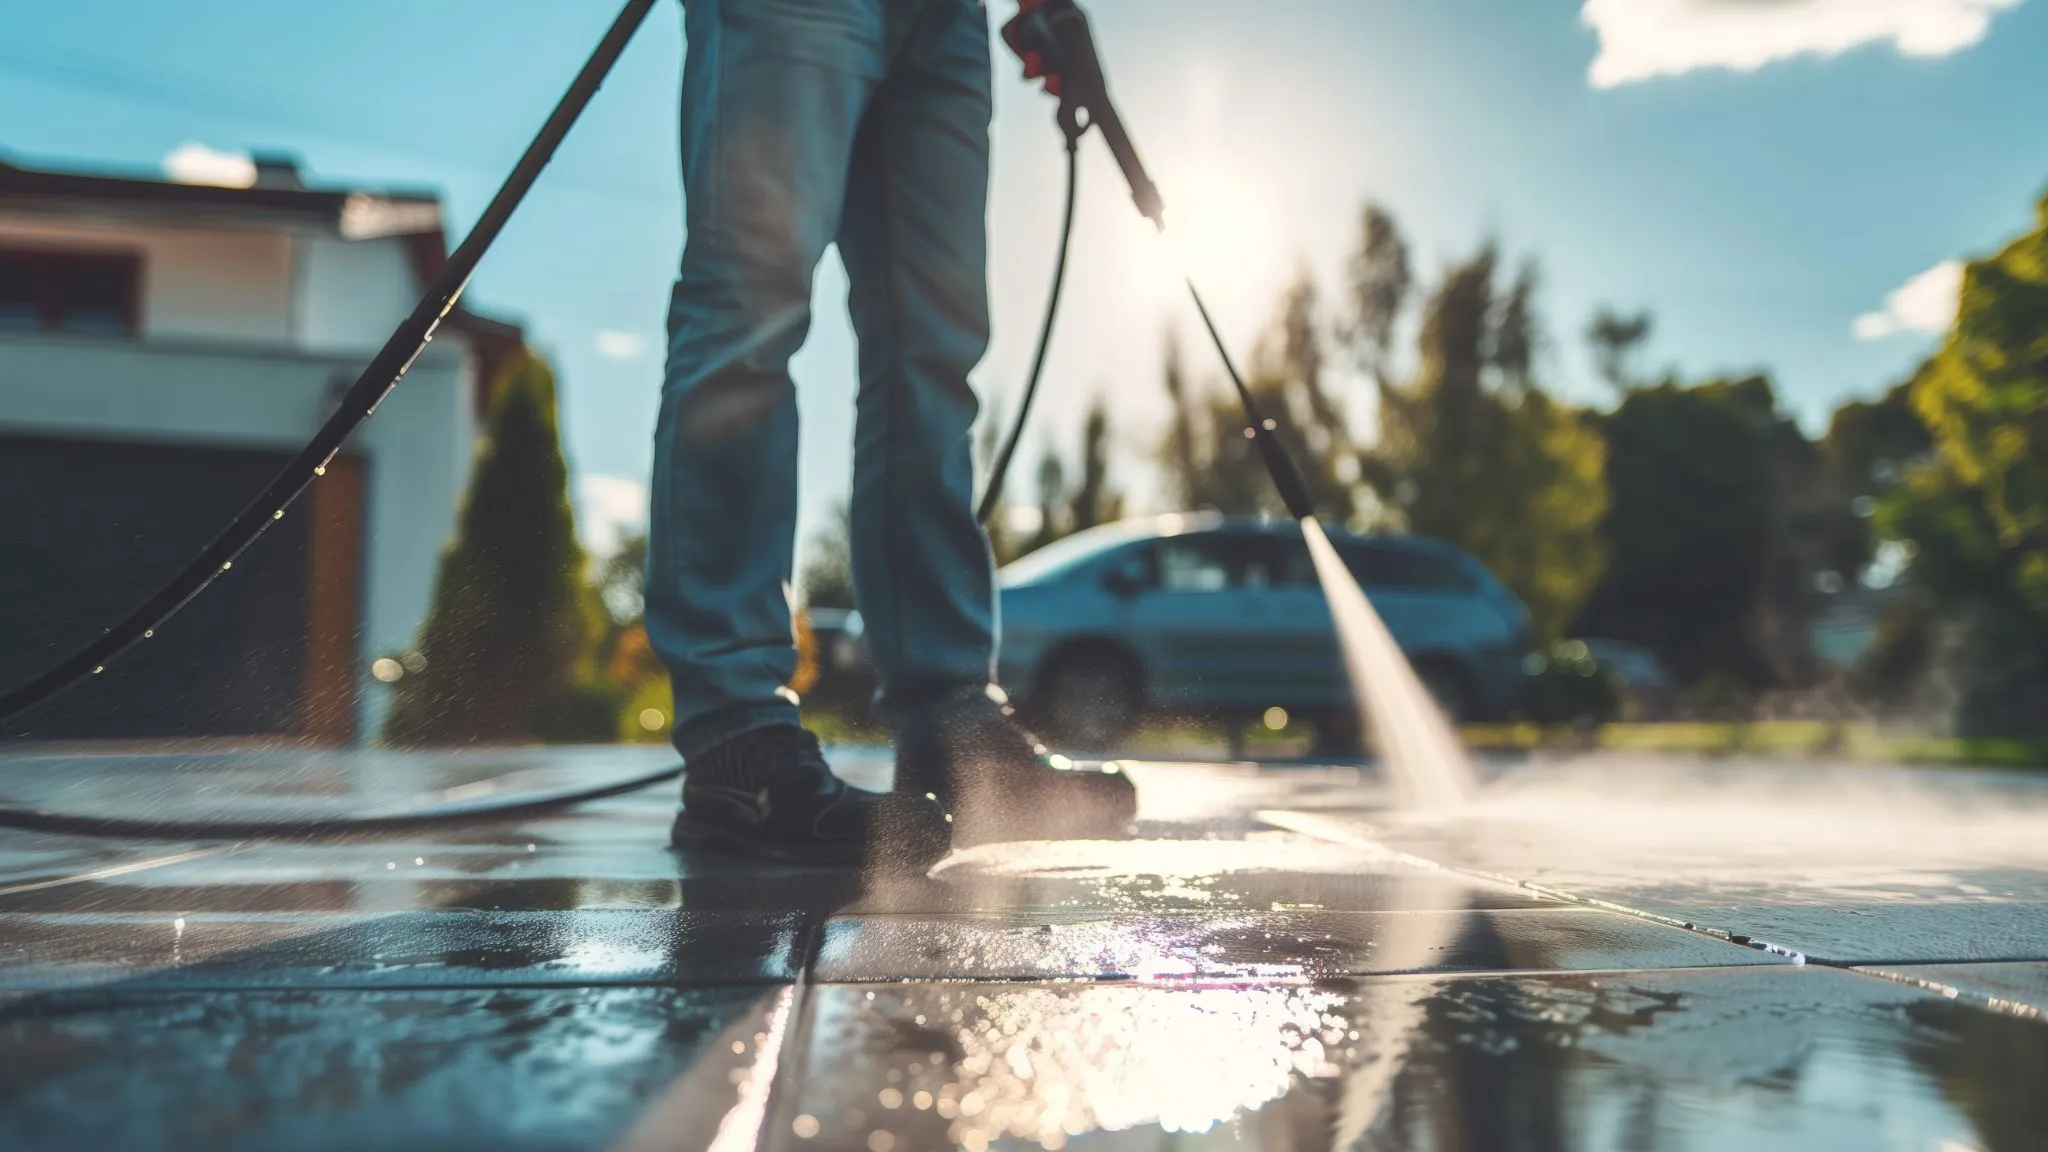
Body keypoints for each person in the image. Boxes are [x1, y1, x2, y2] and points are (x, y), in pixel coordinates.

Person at [648, 0, 1136, 866]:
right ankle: (735, 737)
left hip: (945, 20)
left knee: (932, 355)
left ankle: (952, 726)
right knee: (748, 312)